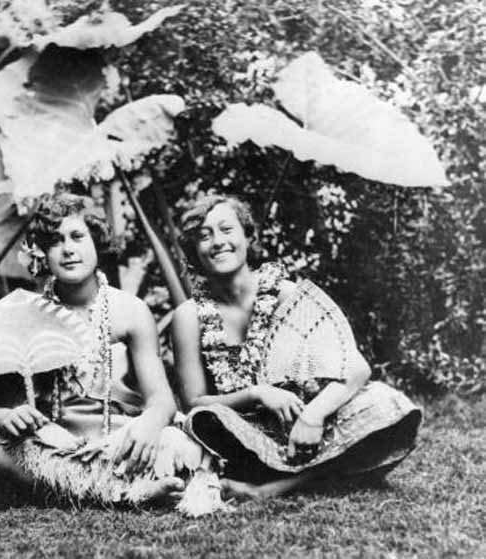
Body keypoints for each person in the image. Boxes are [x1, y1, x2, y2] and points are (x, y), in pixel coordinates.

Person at [172, 194, 422, 499]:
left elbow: (357, 368)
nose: (217, 242)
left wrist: (312, 416)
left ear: (249, 237)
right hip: (242, 428)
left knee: (387, 402)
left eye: (227, 229)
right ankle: (314, 475)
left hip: (301, 421)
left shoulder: (285, 295)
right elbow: (193, 402)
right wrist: (258, 393)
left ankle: (273, 487)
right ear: (193, 251)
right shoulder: (189, 315)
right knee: (201, 421)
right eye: (204, 235)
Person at [0, 193, 210, 507]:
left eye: (77, 237)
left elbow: (161, 399)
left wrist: (150, 424)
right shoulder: (27, 314)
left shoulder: (131, 311)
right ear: (42, 252)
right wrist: (8, 416)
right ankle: (121, 495)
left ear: (96, 242)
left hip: (119, 441)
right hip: (56, 447)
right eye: (55, 241)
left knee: (178, 443)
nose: (68, 249)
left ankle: (79, 492)